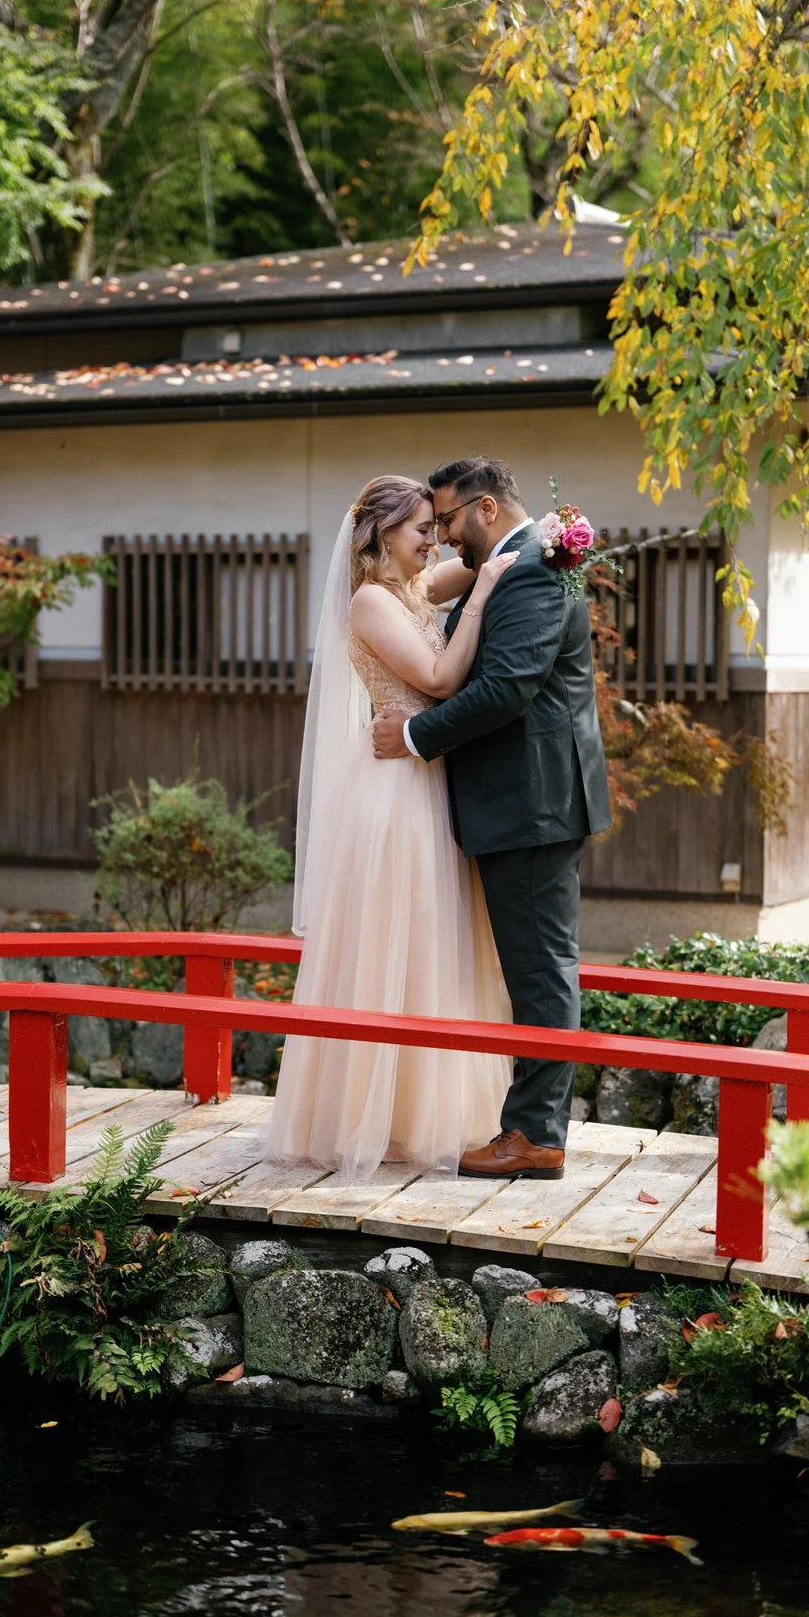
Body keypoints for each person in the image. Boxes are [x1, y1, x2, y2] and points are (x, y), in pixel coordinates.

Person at [266, 474, 516, 1173]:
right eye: (419, 530)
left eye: (435, 528)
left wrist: (545, 538)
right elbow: (436, 678)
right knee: (390, 949)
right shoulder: (371, 601)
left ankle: (420, 1115)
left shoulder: (412, 589)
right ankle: (364, 1119)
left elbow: (473, 560)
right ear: (379, 535)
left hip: (427, 781)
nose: (433, 541)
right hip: (392, 793)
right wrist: (485, 594)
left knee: (432, 949)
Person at [371, 455, 611, 1179]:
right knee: (535, 967)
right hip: (522, 801)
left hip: (532, 802)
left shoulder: (532, 568)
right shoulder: (516, 561)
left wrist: (413, 737)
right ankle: (531, 1127)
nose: (442, 537)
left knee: (540, 971)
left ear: (482, 509)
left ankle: (535, 1135)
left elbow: (507, 687)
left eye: (445, 519)